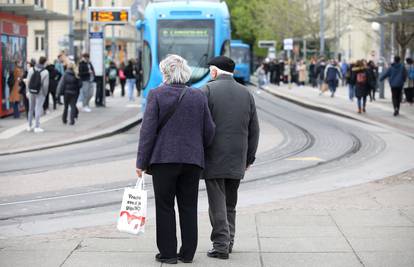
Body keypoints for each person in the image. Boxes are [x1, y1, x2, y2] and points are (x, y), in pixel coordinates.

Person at [135, 54, 215, 264]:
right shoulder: (198, 95)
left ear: (165, 73)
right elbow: (210, 131)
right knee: (189, 207)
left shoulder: (156, 94)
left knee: (164, 206)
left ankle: (168, 254)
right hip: (192, 161)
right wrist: (197, 148)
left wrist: (141, 163)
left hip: (163, 161)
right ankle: (188, 253)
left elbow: (147, 132)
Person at [202, 56, 260, 260]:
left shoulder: (207, 90)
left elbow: (202, 126)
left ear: (215, 72)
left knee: (216, 202)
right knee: (230, 203)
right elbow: (254, 129)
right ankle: (229, 241)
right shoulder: (246, 93)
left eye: (211, 70)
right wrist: (249, 158)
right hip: (238, 157)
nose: (210, 73)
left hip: (214, 156)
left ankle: (220, 245)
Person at [26, 56, 49, 133]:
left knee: (31, 108)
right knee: (38, 108)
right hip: (40, 92)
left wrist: (28, 91)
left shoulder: (31, 70)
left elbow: (28, 82)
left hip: (31, 91)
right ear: (45, 62)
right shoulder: (45, 72)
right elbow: (45, 85)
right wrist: (45, 94)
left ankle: (29, 126)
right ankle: (37, 126)